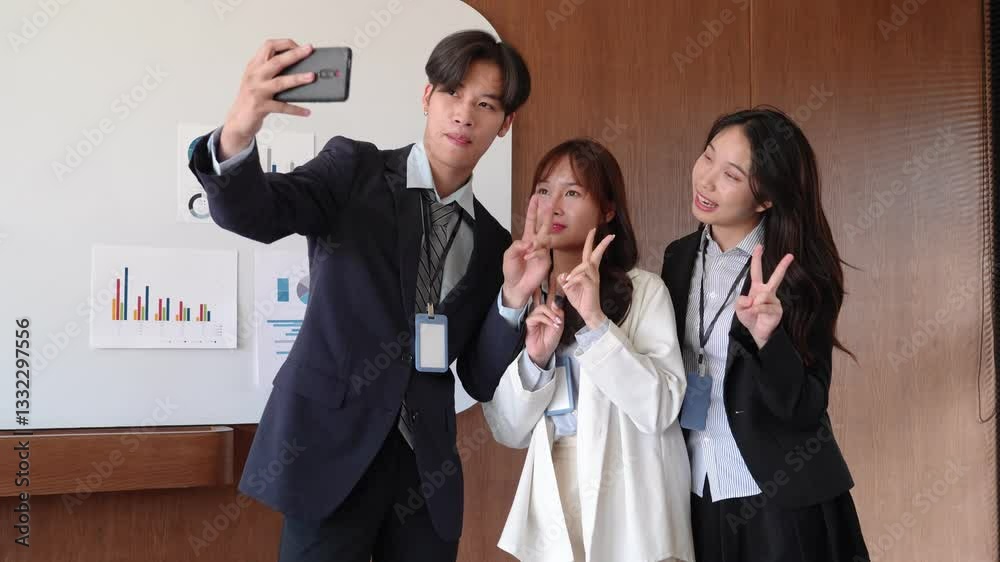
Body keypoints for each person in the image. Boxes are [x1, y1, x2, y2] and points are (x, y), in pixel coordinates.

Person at [188, 30, 547, 562]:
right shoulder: (354, 170)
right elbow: (257, 213)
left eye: (486, 104)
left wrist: (512, 301)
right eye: (452, 93)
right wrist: (239, 130)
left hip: (424, 474)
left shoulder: (497, 244)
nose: (464, 115)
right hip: (329, 452)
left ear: (505, 123)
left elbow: (477, 376)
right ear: (427, 97)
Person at [661, 107, 869, 561]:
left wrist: (768, 340)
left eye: (731, 175)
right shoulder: (677, 258)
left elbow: (807, 405)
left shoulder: (799, 274)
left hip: (778, 499)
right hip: (695, 489)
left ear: (766, 199)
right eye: (708, 156)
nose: (707, 180)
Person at [483, 139, 695, 562]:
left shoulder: (644, 290)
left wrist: (596, 322)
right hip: (556, 484)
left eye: (573, 192)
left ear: (608, 210)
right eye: (544, 190)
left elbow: (658, 409)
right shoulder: (526, 295)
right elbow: (508, 430)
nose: (553, 206)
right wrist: (535, 360)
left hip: (630, 488)